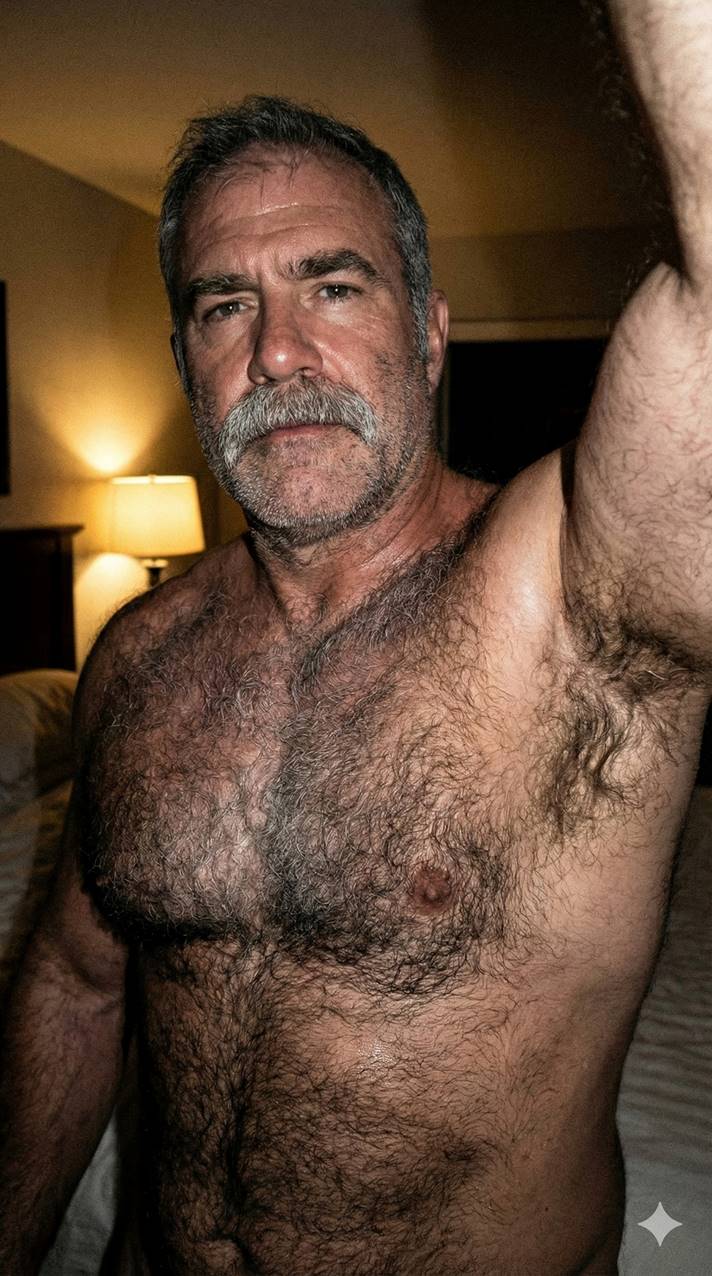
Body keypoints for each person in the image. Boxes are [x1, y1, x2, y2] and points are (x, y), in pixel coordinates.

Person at [1, 1, 711, 1270]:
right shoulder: (138, 657)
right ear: (186, 359)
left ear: (428, 334)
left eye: (333, 286)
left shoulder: (572, 601)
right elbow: (75, 981)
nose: (279, 351)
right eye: (225, 305)